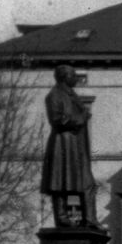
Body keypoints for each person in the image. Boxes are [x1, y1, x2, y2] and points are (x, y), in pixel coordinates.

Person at [41, 64, 98, 227]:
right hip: (63, 144)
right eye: (73, 75)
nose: (76, 78)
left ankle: (90, 220)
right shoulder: (54, 95)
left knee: (88, 183)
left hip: (77, 146)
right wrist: (81, 118)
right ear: (64, 77)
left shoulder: (72, 95)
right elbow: (56, 120)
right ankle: (62, 217)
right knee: (60, 182)